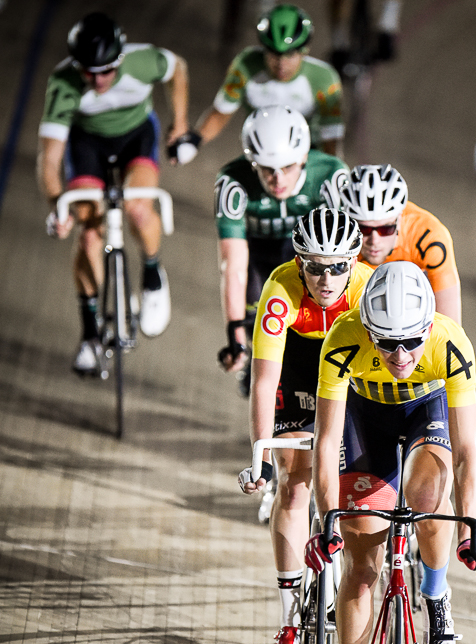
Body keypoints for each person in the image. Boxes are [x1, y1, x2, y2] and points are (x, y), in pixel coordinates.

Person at [305, 260, 476, 644]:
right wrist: (327, 520)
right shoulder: (342, 339)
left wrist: (470, 531)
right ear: (367, 329)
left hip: (424, 414)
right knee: (360, 567)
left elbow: (468, 452)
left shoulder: (450, 344)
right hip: (365, 422)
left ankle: (435, 592)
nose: (401, 355)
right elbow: (326, 442)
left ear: (428, 328)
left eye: (412, 341)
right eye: (387, 343)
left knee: (429, 498)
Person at [239, 207, 372, 644]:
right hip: (297, 365)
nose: (326, 279)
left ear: (354, 262)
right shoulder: (280, 289)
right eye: (315, 267)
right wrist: (260, 453)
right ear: (299, 262)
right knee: (294, 484)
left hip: (351, 367)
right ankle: (289, 623)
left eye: (338, 267)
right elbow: (263, 380)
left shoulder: (367, 290)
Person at [38, 12, 194, 374]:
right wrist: (57, 207)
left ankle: (152, 276)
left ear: (120, 59)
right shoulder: (63, 83)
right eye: (88, 72)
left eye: (106, 71)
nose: (97, 80)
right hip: (88, 143)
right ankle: (90, 333)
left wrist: (180, 122)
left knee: (138, 206)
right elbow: (49, 160)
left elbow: (178, 69)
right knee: (88, 234)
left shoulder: (142, 61)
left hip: (135, 135)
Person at [214, 105, 348, 395]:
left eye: (287, 167)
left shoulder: (330, 175)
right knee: (256, 318)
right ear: (252, 162)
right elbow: (233, 265)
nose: (278, 179)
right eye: (267, 169)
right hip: (257, 256)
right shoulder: (233, 182)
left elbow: (344, 253)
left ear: (304, 157)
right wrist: (235, 332)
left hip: (309, 255)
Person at [197, 4, 344, 157]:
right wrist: (194, 141)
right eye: (274, 53)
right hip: (260, 152)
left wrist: (334, 168)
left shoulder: (324, 79)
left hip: (306, 154)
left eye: (290, 55)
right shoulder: (246, 65)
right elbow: (221, 113)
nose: (281, 64)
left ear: (305, 50)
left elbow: (331, 139)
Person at [329, 163, 463, 323]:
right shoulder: (334, 237)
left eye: (385, 229)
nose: (374, 240)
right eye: (363, 229)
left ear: (399, 219)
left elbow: (450, 324)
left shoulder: (429, 237)